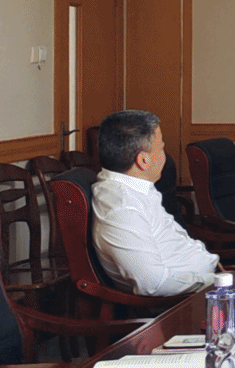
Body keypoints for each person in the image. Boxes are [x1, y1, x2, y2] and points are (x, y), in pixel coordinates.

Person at [92, 109, 219, 297]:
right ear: (143, 160)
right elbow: (154, 284)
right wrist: (213, 281)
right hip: (189, 300)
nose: (164, 156)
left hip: (206, 283)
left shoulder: (136, 188)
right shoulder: (122, 209)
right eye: (161, 148)